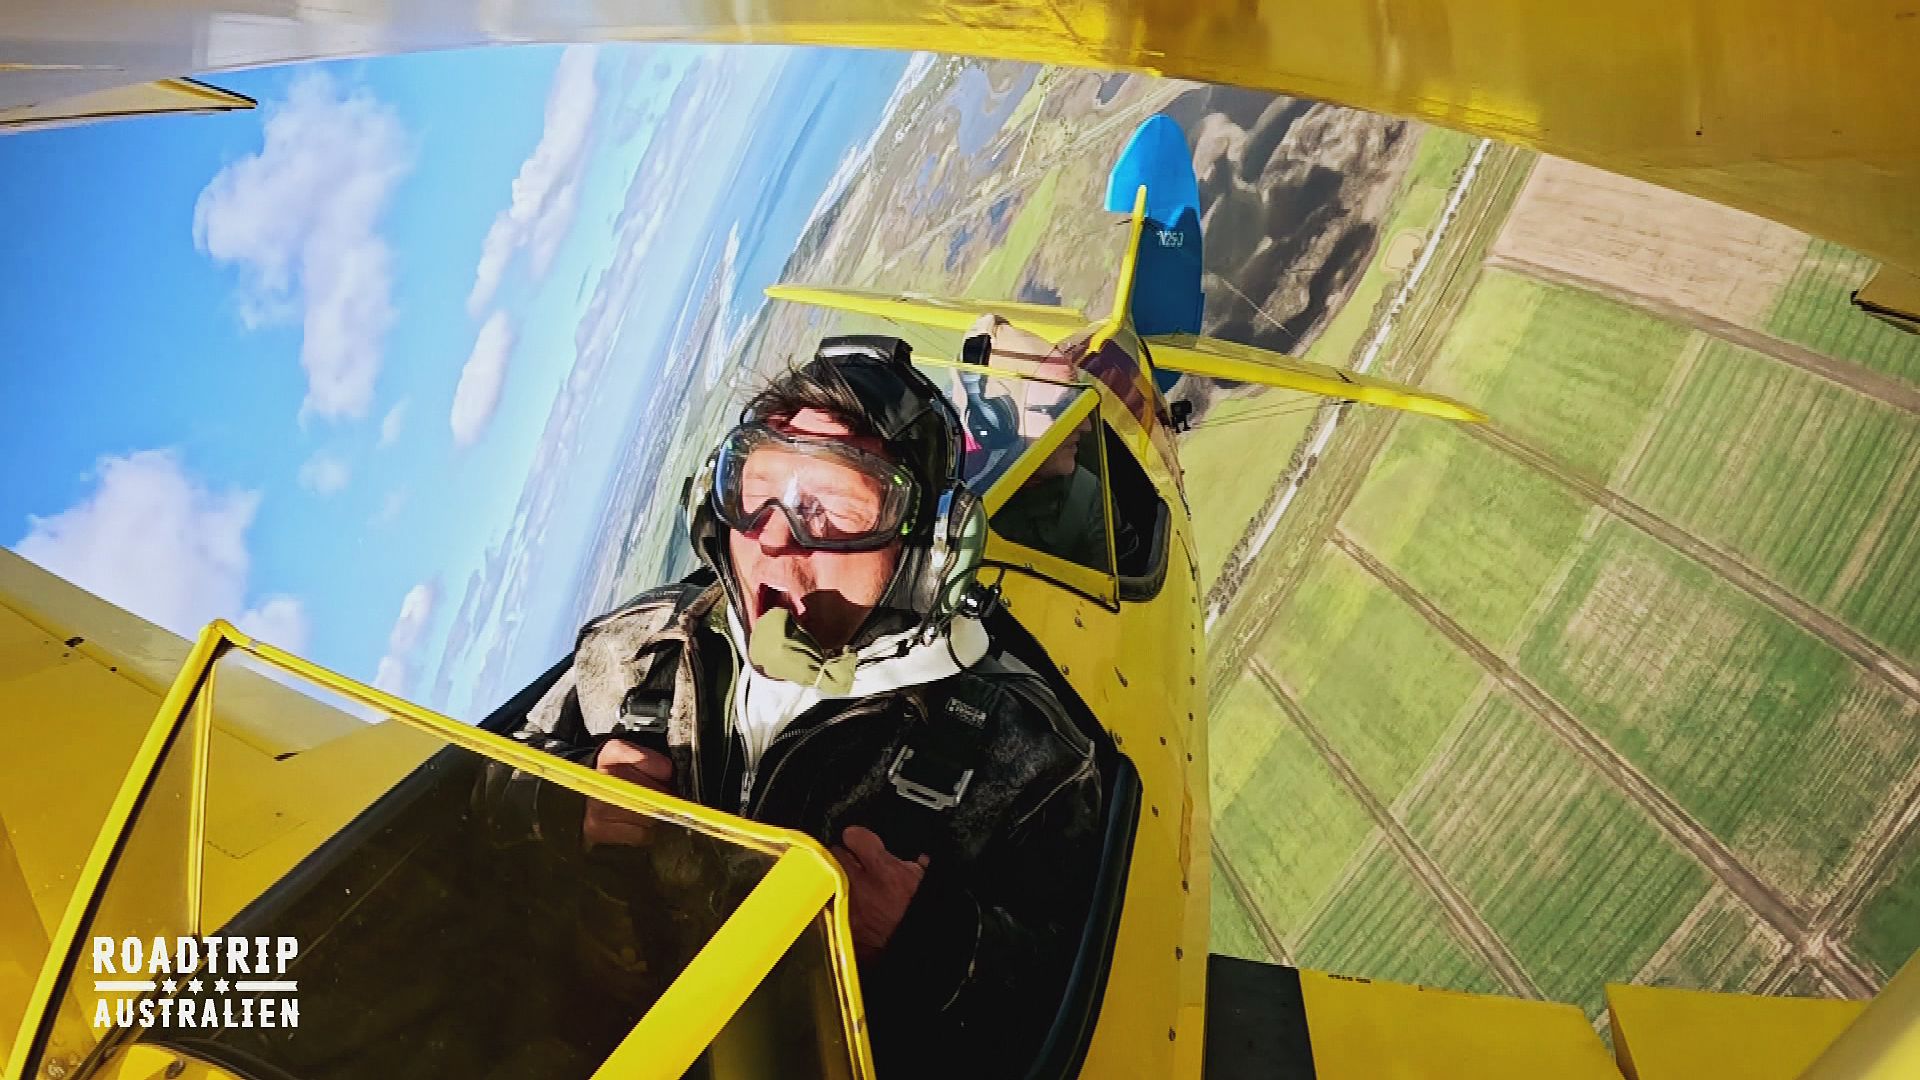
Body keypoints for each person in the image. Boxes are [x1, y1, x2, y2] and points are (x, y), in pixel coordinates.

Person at [502, 335, 1103, 1076]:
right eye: (758, 487)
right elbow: (479, 789)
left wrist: (933, 946)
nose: (775, 536)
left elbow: (1078, 994)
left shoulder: (1027, 758)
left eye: (836, 506)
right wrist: (566, 798)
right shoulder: (634, 651)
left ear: (929, 551)